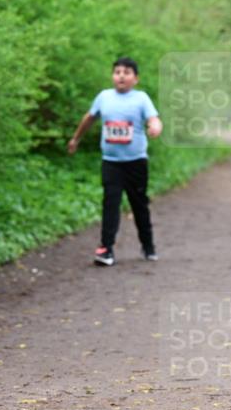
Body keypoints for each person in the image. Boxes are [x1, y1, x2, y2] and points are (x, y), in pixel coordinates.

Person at [68, 57, 162, 266]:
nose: (121, 75)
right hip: (111, 162)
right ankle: (106, 249)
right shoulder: (104, 97)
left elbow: (153, 118)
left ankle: (148, 245)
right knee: (110, 203)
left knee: (139, 205)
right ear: (113, 76)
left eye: (127, 72)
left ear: (135, 79)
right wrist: (76, 138)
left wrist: (155, 127)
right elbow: (89, 118)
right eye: (117, 72)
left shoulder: (141, 98)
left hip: (136, 163)